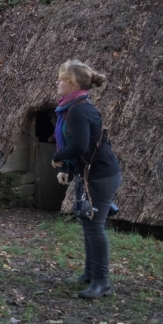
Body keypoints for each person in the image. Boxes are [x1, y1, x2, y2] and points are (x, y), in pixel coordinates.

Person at [52, 60, 121, 299]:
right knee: (88, 223)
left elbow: (79, 144)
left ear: (72, 84)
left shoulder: (79, 109)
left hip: (100, 174)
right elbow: (82, 145)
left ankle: (102, 282)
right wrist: (68, 169)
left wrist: (58, 158)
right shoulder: (74, 106)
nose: (58, 82)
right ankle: (90, 274)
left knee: (94, 226)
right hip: (92, 171)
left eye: (61, 79)